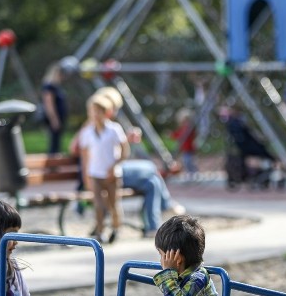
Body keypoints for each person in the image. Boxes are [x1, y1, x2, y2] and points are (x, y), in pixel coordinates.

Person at [79, 93, 129, 243]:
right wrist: (86, 176)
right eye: (92, 111)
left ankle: (116, 227)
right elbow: (85, 156)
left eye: (98, 111)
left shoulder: (114, 129)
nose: (95, 114)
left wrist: (114, 166)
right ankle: (100, 231)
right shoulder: (87, 132)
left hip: (111, 174)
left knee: (113, 204)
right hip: (95, 173)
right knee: (98, 205)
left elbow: (125, 150)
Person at [122, 127, 185, 236]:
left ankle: (152, 227)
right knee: (151, 167)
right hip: (108, 173)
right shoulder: (99, 127)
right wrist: (125, 139)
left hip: (117, 170)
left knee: (152, 183)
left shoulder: (108, 126)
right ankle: (166, 204)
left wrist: (127, 140)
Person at [40, 63, 67, 155]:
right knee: (53, 143)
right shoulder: (49, 87)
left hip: (59, 117)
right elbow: (49, 104)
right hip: (54, 118)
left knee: (57, 142)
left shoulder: (56, 87)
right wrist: (54, 119)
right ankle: (52, 163)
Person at [170, 108, 199, 181]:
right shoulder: (182, 128)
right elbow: (177, 135)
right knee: (186, 161)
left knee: (189, 161)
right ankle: (190, 173)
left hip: (190, 148)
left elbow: (191, 135)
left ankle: (194, 173)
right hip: (185, 149)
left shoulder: (190, 128)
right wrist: (171, 135)